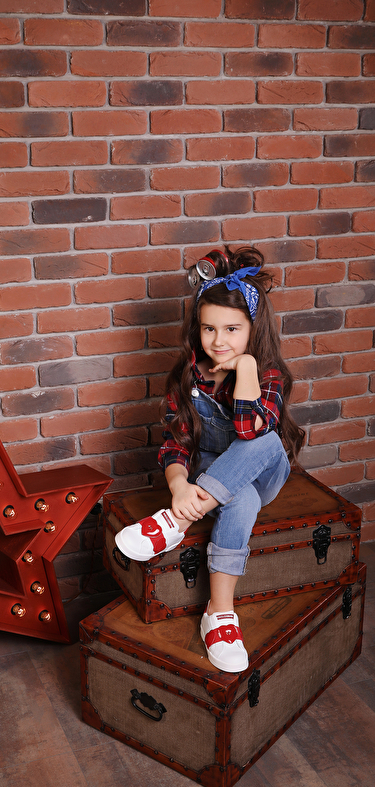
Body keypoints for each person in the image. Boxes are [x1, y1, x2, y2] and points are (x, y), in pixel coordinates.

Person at [115, 246, 305, 673]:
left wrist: (247, 367)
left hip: (264, 470)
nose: (219, 341)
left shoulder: (269, 375)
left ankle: (176, 523)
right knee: (241, 499)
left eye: (233, 329)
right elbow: (176, 444)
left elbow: (250, 432)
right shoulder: (189, 377)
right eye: (209, 329)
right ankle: (219, 615)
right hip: (211, 475)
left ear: (253, 328)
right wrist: (179, 486)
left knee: (265, 442)